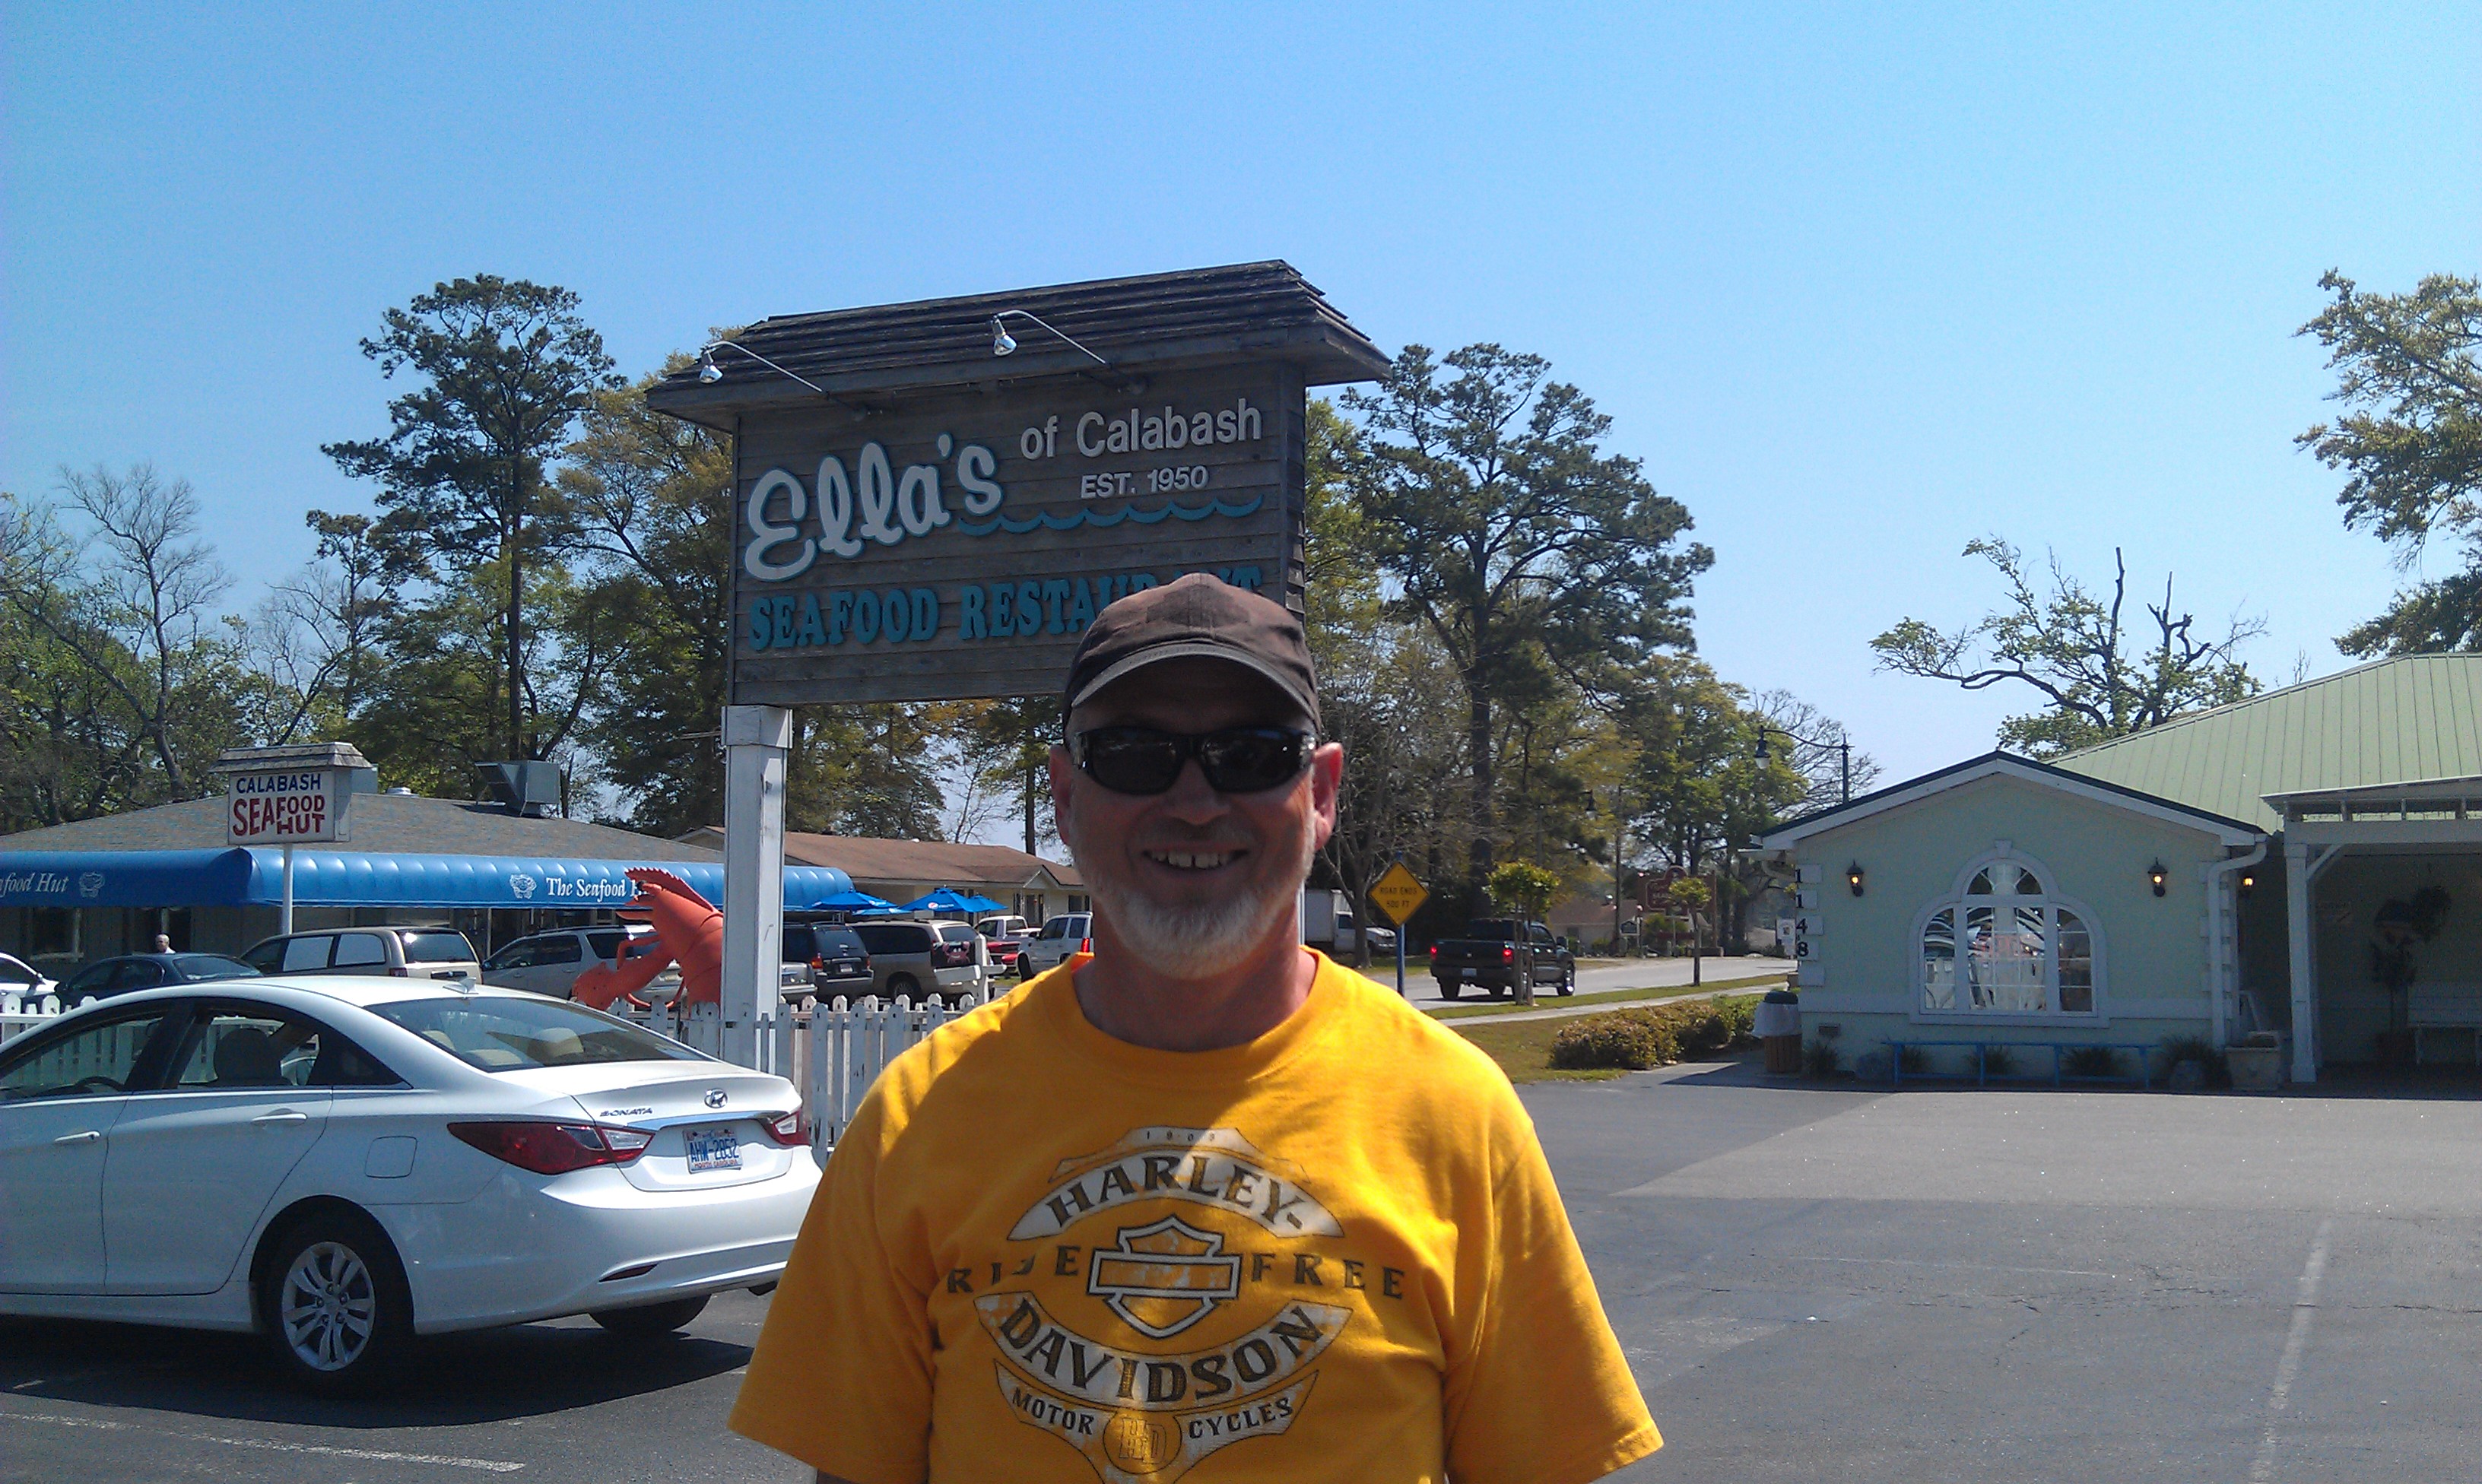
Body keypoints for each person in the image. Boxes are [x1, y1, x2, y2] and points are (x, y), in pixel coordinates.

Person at [732, 573, 1660, 1484]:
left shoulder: (1454, 1110)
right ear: (1065, 795)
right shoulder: (919, 1112)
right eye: (1134, 751)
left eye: (1250, 753)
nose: (1193, 800)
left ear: (1322, 791)